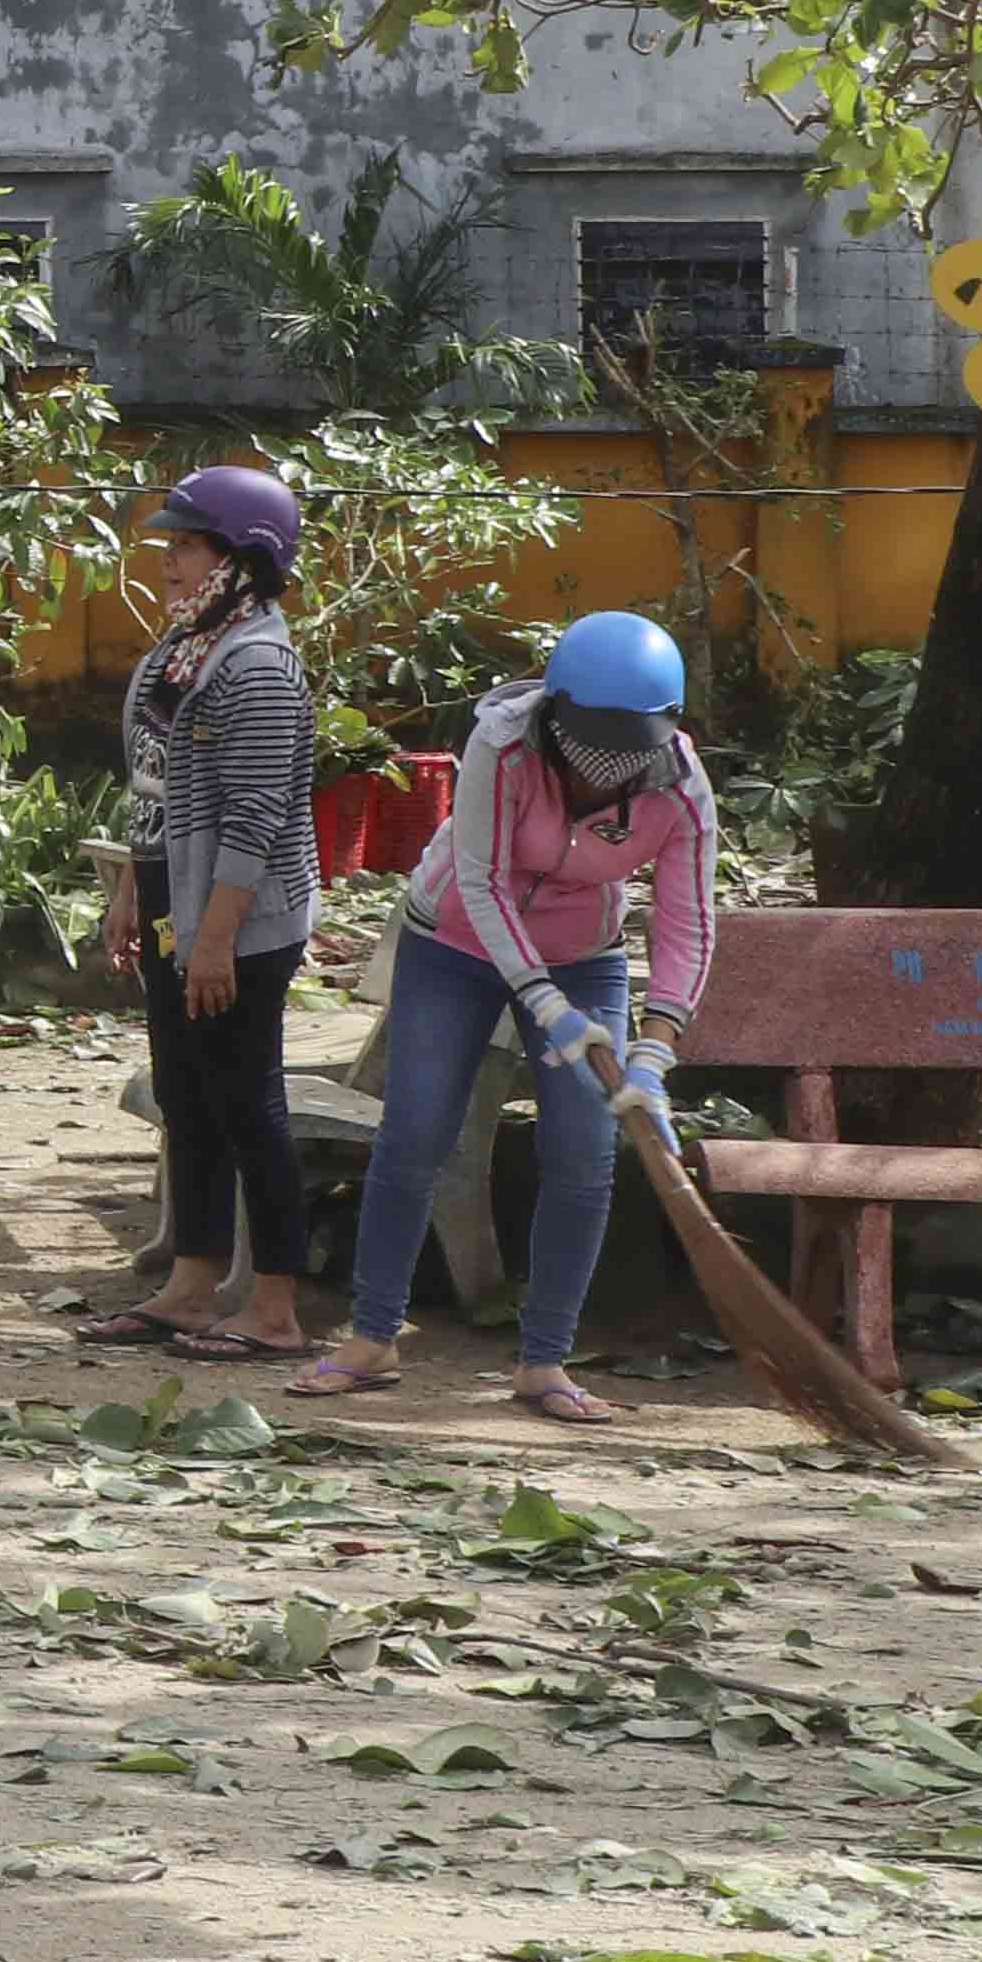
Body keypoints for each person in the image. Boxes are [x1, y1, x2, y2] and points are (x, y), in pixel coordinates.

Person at [296, 609, 717, 1425]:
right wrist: (542, 1002)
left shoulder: (680, 785)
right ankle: (374, 1334)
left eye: (623, 752)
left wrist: (656, 1049)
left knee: (586, 1153)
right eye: (587, 746)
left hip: (583, 953)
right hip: (452, 940)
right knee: (415, 1132)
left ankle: (545, 1361)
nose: (600, 774)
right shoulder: (501, 744)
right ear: (554, 717)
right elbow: (482, 882)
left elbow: (688, 920)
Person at [87, 465, 320, 1363]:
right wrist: (130, 895)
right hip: (176, 908)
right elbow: (153, 789)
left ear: (241, 558)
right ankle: (190, 1286)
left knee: (245, 1101)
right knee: (187, 1095)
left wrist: (215, 940)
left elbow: (257, 818)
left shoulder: (256, 664)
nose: (170, 562)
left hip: (241, 921)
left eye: (186, 546)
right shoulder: (180, 650)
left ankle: (274, 1310)